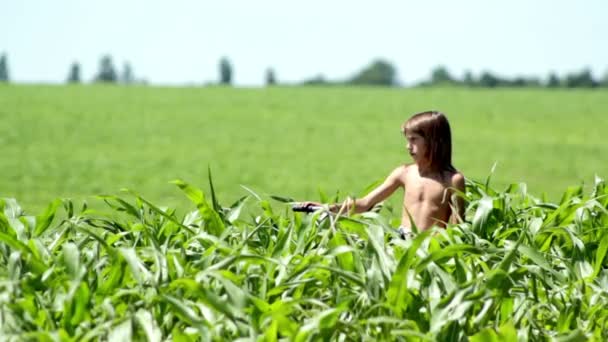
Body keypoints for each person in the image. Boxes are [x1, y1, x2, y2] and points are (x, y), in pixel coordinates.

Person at [296, 110, 465, 239]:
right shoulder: (404, 173)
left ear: (433, 141)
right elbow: (365, 203)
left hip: (431, 248)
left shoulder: (453, 180)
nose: (408, 146)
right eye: (407, 140)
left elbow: (458, 226)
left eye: (414, 140)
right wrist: (326, 208)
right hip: (401, 243)